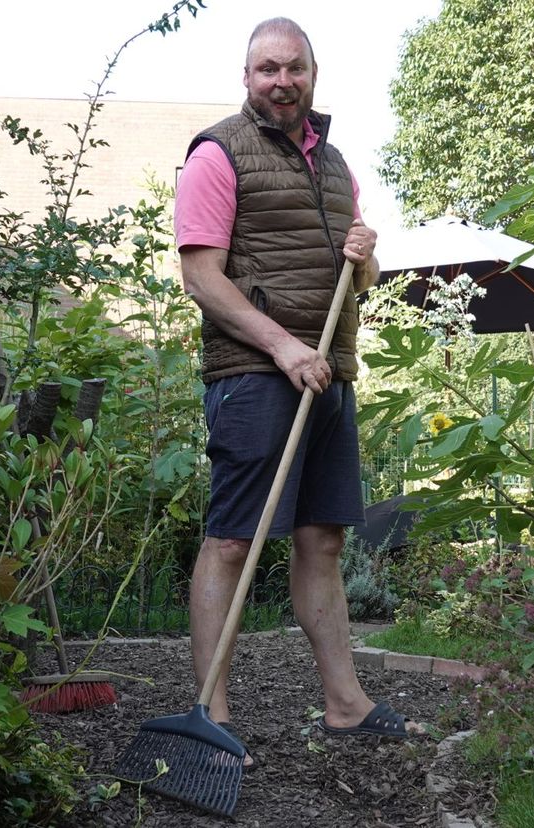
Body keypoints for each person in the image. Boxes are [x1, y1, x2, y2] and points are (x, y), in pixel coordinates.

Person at [174, 17, 422, 765]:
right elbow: (200, 275)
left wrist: (368, 258)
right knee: (232, 540)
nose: (282, 81)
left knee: (323, 538)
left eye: (295, 69)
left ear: (313, 74)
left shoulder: (337, 163)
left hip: (328, 375)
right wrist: (281, 345)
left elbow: (357, 285)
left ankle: (346, 704)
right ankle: (211, 714)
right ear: (246, 78)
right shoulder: (218, 155)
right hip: (256, 376)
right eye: (267, 69)